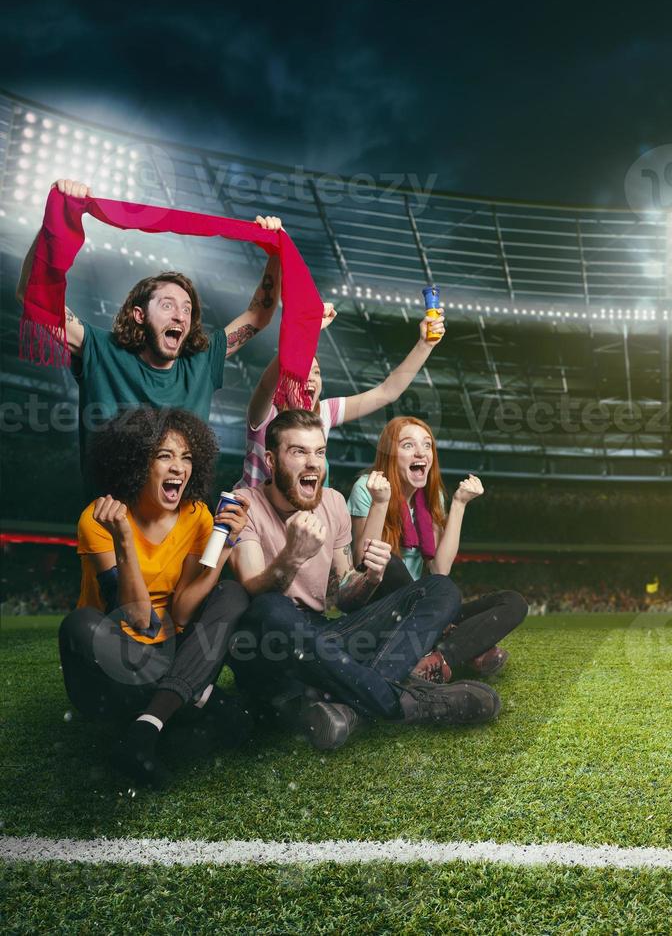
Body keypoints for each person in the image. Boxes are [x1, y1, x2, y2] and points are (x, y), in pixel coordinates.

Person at [13, 178, 327, 485]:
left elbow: (259, 315)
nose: (180, 314)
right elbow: (34, 297)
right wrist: (54, 222)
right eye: (167, 305)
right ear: (138, 314)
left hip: (182, 526)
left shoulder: (200, 362)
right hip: (109, 523)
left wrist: (274, 250)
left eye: (187, 309)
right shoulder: (102, 350)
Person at [227, 409, 504, 752]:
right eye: (298, 452)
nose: (313, 463)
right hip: (270, 644)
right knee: (271, 609)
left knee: (441, 589)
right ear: (270, 460)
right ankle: (409, 703)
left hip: (324, 637)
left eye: (319, 452)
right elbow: (253, 591)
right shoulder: (243, 505)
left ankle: (349, 707)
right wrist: (293, 556)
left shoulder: (332, 502)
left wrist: (369, 579)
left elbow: (344, 595)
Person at [58, 407, 254, 787]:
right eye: (164, 456)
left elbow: (182, 609)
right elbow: (136, 619)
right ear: (135, 462)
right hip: (110, 669)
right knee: (79, 624)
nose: (179, 468)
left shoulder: (196, 516)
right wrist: (124, 541)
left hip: (169, 648)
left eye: (186, 457)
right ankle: (196, 696)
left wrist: (225, 545)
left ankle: (147, 726)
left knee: (230, 592)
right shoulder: (98, 519)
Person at [349, 416, 526, 683]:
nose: (421, 452)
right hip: (384, 606)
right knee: (389, 562)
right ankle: (467, 649)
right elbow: (366, 562)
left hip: (426, 607)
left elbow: (440, 570)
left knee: (514, 602)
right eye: (408, 445)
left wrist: (459, 504)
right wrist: (380, 502)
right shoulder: (367, 488)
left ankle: (439, 659)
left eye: (427, 445)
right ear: (389, 454)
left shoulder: (433, 496)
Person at [235, 313, 442, 490]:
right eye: (300, 372)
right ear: (281, 381)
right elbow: (264, 385)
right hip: (252, 520)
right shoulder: (264, 416)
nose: (311, 379)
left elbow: (387, 392)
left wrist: (425, 345)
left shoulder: (324, 412)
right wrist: (307, 330)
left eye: (316, 373)